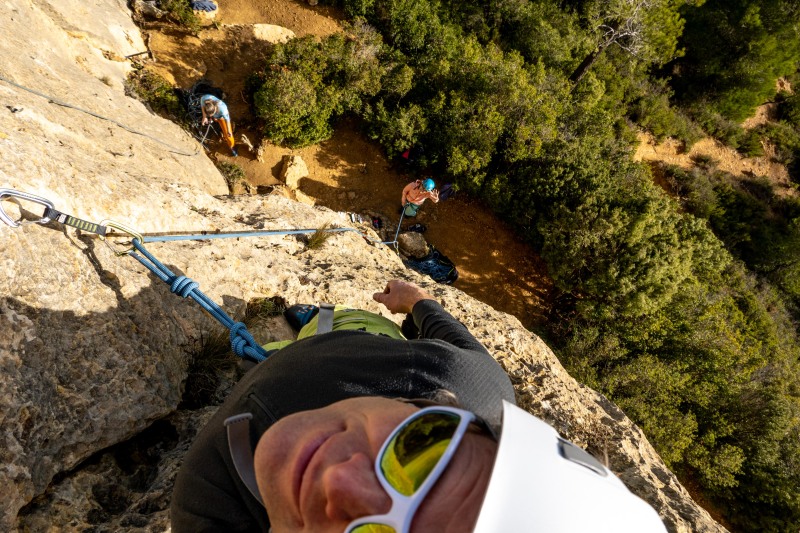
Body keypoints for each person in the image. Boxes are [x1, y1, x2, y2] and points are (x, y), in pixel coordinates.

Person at [170, 280, 667, 532]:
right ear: (462, 418)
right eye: (418, 449)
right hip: (361, 334)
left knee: (310, 328)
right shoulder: (476, 380)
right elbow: (451, 334)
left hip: (311, 352)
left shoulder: (212, 498)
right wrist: (415, 301)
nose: (340, 480)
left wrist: (417, 303)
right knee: (338, 321)